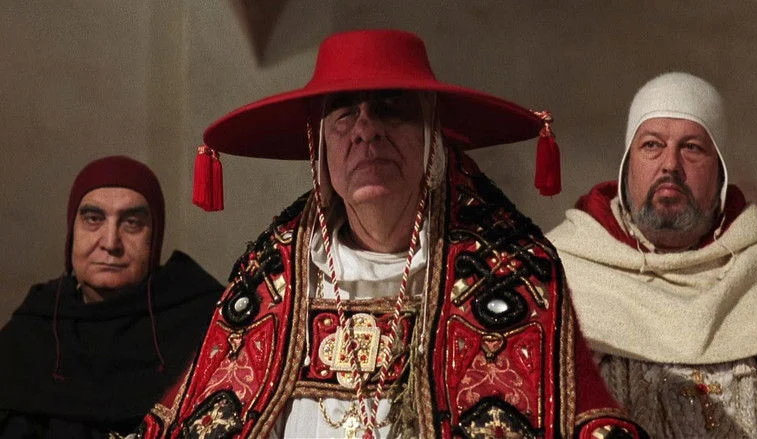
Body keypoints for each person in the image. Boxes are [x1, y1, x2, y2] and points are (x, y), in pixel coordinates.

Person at [141, 30, 647, 439]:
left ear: (432, 137)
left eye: (390, 108)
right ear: (320, 149)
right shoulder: (268, 281)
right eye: (344, 113)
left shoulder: (515, 273)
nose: (367, 130)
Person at [548, 72, 757, 438]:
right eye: (652, 145)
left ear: (720, 172)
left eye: (692, 148)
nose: (670, 164)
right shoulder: (560, 271)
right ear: (627, 166)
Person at [0, 156, 224, 438]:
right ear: (72, 232)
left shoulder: (205, 320)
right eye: (93, 220)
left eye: (131, 223)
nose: (110, 243)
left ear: (154, 238)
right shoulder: (34, 327)